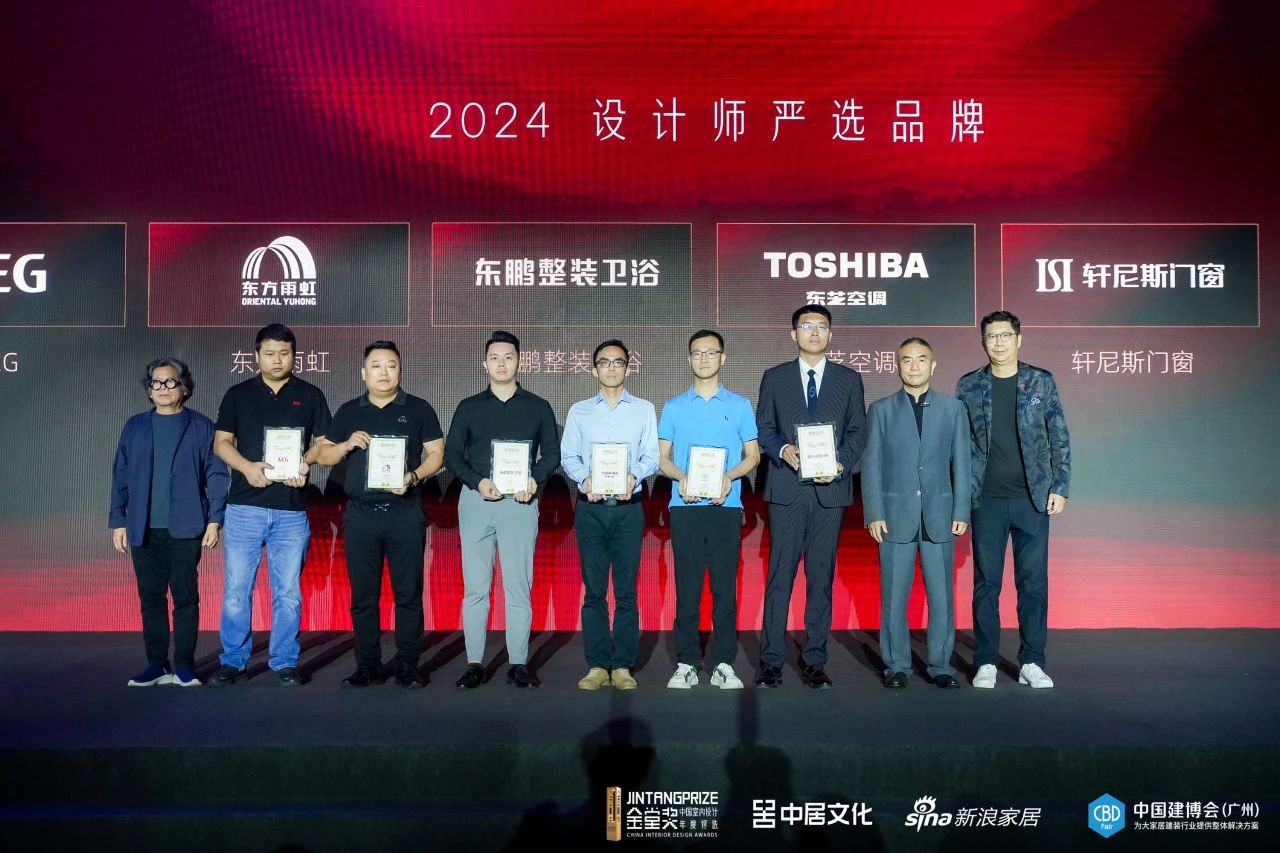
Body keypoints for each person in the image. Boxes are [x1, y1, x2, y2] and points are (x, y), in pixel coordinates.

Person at [311, 341, 444, 689]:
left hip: (405, 512)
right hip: (361, 514)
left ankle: (407, 665)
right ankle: (367, 666)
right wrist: (345, 445)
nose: (384, 372)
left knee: (408, 596)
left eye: (391, 365)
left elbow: (436, 454)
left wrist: (414, 476)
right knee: (363, 597)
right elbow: (322, 455)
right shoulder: (349, 411)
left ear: (400, 370)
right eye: (376, 365)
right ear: (363, 372)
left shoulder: (418, 408)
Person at [208, 323, 331, 687]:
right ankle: (233, 660)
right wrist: (247, 468)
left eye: (284, 353)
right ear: (257, 356)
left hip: (291, 510)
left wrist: (306, 462)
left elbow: (324, 444)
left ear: (295, 356)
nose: (277, 360)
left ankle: (285, 661)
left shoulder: (310, 395)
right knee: (236, 591)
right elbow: (221, 443)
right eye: (270, 353)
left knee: (288, 593)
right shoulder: (238, 394)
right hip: (244, 507)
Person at [955, 310, 1071, 689]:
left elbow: (1059, 436)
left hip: (1032, 499)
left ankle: (1032, 661)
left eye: (1005, 335)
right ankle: (986, 661)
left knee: (1033, 584)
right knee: (986, 584)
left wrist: (1060, 485)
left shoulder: (1040, 381)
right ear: (983, 342)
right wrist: (959, 497)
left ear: (1019, 339)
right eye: (992, 336)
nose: (999, 342)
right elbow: (959, 445)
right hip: (986, 500)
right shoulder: (969, 386)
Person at [755, 304, 867, 688]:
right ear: (794, 334)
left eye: (822, 326)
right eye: (807, 326)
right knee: (780, 577)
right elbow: (764, 428)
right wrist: (782, 449)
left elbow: (858, 432)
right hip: (787, 488)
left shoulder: (848, 379)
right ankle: (771, 661)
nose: (815, 332)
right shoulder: (775, 377)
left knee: (821, 578)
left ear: (830, 334)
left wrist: (842, 463)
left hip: (829, 492)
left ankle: (815, 659)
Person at [444, 330, 560, 689]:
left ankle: (518, 663)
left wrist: (534, 479)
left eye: (509, 357)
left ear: (519, 361)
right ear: (485, 364)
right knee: (476, 588)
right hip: (477, 501)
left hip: (520, 504)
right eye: (494, 357)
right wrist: (477, 481)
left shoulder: (538, 407)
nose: (501, 363)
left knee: (518, 587)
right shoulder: (469, 407)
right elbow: (452, 456)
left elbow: (552, 454)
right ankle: (474, 663)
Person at [109, 358, 228, 687]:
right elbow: (120, 475)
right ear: (149, 390)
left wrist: (215, 520)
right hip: (142, 528)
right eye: (156, 383)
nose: (162, 388)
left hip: (186, 528)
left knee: (185, 598)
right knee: (150, 599)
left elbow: (217, 475)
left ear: (184, 387)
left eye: (170, 381)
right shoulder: (135, 426)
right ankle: (156, 664)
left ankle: (184, 666)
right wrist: (118, 520)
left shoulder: (202, 426)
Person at [863, 338, 970, 690]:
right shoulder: (881, 410)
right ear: (897, 365)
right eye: (907, 360)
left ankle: (941, 666)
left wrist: (961, 508)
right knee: (894, 597)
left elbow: (962, 464)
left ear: (933, 365)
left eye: (921, 359)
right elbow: (872, 465)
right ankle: (896, 666)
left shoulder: (953, 409)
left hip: (940, 515)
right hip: (894, 516)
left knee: (942, 598)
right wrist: (874, 512)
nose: (914, 366)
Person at [658, 330, 760, 690]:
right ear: (689, 359)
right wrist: (682, 477)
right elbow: (662, 458)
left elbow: (753, 456)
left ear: (723, 358)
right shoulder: (673, 406)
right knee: (687, 590)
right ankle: (686, 662)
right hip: (685, 506)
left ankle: (722, 664)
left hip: (725, 506)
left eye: (711, 352)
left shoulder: (740, 405)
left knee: (723, 591)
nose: (704, 359)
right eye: (697, 353)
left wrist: (728, 477)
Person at [560, 340, 658, 690]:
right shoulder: (580, 411)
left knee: (627, 592)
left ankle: (623, 666)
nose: (612, 367)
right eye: (604, 362)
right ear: (594, 369)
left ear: (628, 367)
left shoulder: (644, 409)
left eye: (618, 362)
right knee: (594, 591)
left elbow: (651, 456)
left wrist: (635, 475)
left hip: (629, 510)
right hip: (591, 510)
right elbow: (568, 456)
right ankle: (598, 664)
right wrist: (584, 479)